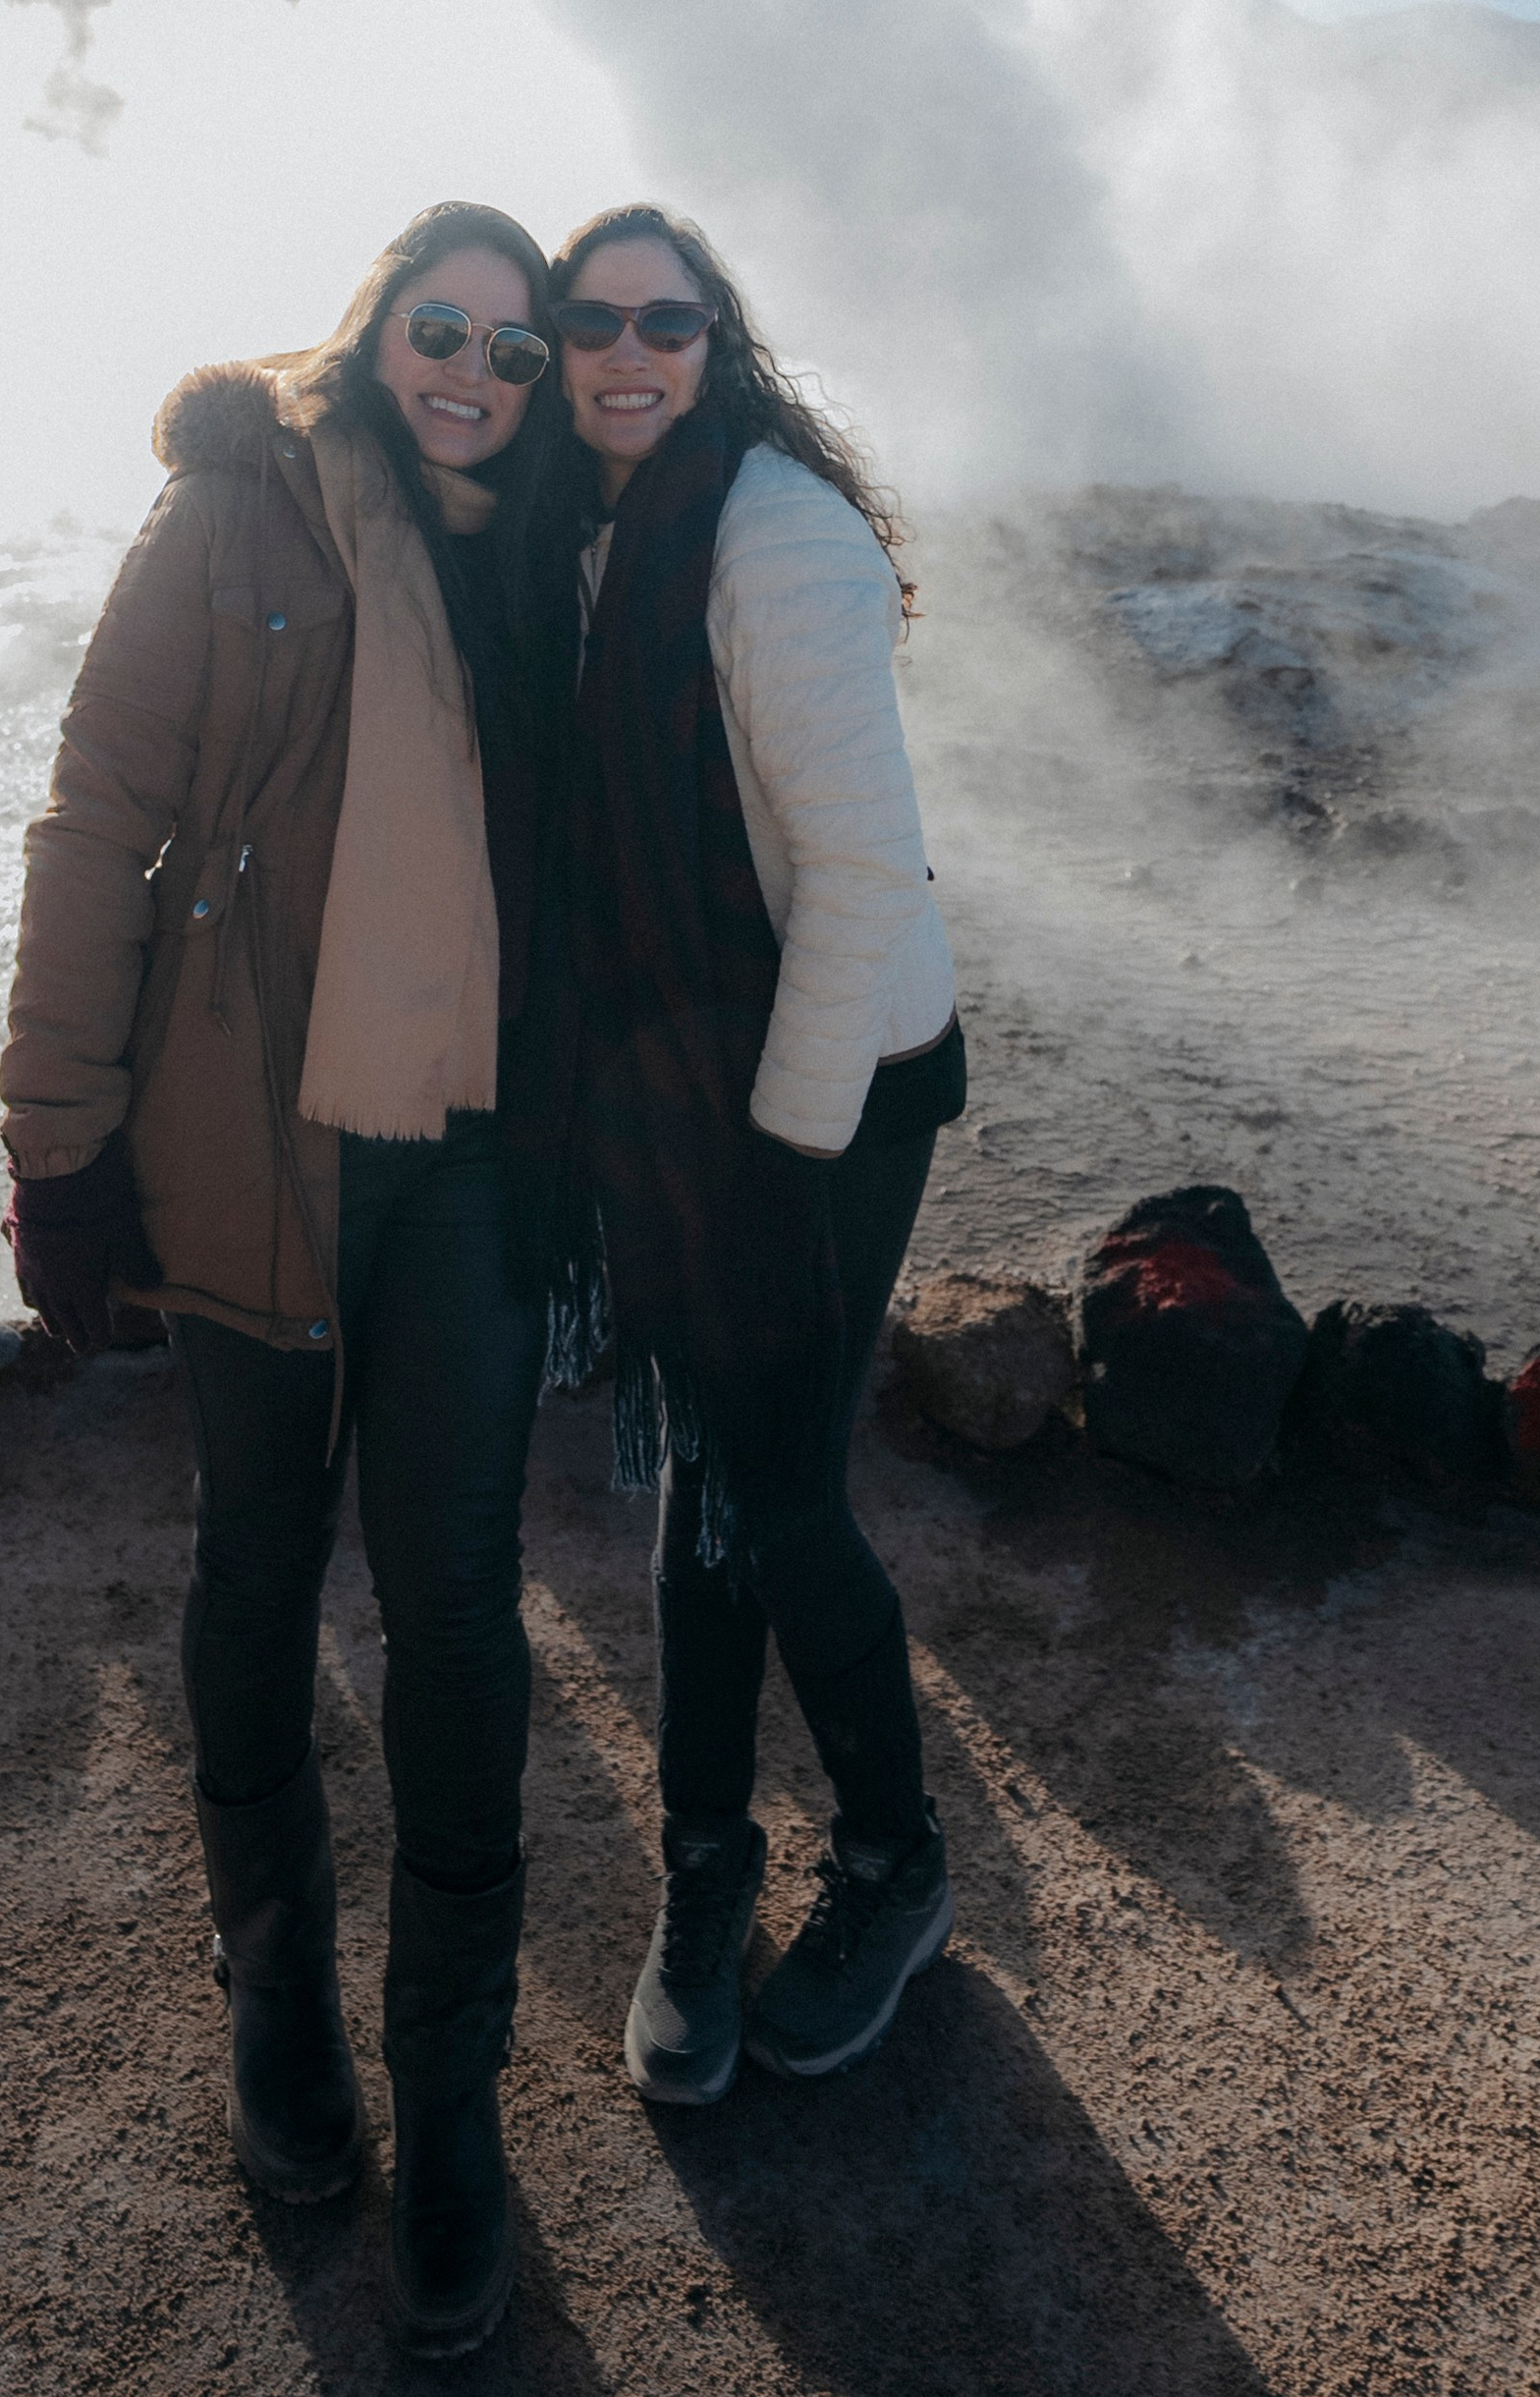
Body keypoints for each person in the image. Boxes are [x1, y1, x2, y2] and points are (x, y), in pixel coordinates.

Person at [0, 200, 562, 2362]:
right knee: (252, 1563)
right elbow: (95, 814)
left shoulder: (540, 553)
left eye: (511, 353)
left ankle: (451, 2081)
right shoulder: (238, 505)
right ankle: (279, 2001)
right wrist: (58, 1144)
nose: (475, 376)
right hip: (249, 1144)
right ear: (375, 325)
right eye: (444, 330)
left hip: (471, 1167)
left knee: (458, 1605)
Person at [537, 201, 965, 2109]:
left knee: (775, 1495)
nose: (628, 350)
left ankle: (896, 1862)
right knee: (706, 1483)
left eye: (667, 319)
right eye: (592, 320)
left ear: (718, 341)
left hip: (822, 1097)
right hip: (676, 1085)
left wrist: (776, 1163)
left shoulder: (771, 536)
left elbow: (863, 875)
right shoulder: (596, 532)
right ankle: (705, 1866)